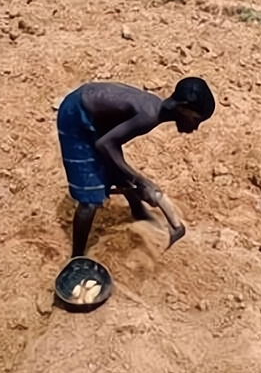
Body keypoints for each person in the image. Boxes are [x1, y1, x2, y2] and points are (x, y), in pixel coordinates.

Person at [56, 77, 215, 258]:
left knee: (117, 167)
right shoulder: (149, 115)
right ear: (181, 108)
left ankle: (137, 210)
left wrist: (133, 178)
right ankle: (77, 257)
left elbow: (111, 145)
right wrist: (141, 181)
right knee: (90, 198)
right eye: (195, 119)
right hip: (76, 115)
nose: (195, 127)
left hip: (94, 113)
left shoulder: (154, 108)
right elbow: (104, 145)